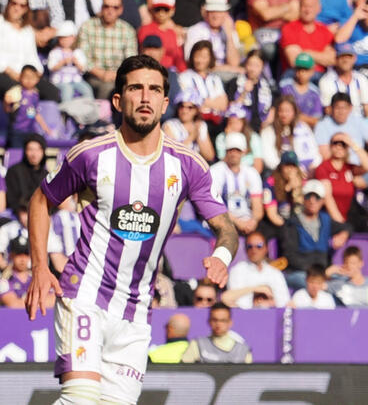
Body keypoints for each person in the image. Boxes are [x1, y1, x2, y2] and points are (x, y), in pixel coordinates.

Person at [25, 55, 238, 404]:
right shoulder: (91, 155)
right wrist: (39, 268)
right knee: (80, 399)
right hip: (84, 296)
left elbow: (226, 226)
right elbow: (39, 201)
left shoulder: (189, 166)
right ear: (117, 100)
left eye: (154, 90)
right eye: (135, 88)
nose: (144, 97)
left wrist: (222, 255)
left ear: (165, 103)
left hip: (137, 312)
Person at [224, 230, 290, 309]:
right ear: (245, 249)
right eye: (250, 246)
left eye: (259, 246)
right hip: (246, 316)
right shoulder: (237, 271)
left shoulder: (275, 273)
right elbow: (236, 301)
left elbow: (284, 301)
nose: (254, 250)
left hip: (272, 315)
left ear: (266, 248)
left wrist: (270, 302)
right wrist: (256, 289)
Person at [180, 302, 253, 363]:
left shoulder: (243, 349)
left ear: (230, 323)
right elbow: (184, 373)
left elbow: (249, 377)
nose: (218, 324)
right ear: (209, 321)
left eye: (223, 320)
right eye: (215, 320)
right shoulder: (197, 344)